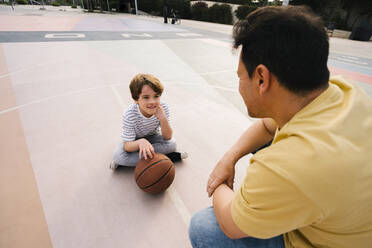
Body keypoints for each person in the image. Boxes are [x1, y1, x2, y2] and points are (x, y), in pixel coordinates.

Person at [189, 6, 372, 248]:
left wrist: (220, 182)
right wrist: (229, 158)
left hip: (319, 236)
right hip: (348, 223)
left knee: (204, 226)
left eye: (240, 76)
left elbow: (231, 225)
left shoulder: (290, 164)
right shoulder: (342, 91)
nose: (240, 85)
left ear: (262, 79)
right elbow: (267, 128)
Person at [110, 73, 187, 170]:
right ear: (136, 99)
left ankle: (135, 161)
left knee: (172, 144)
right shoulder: (129, 114)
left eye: (156, 96)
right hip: (135, 141)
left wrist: (163, 118)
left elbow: (167, 137)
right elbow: (128, 146)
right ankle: (169, 157)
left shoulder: (163, 108)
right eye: (146, 97)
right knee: (119, 156)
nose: (152, 101)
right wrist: (140, 142)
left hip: (153, 136)